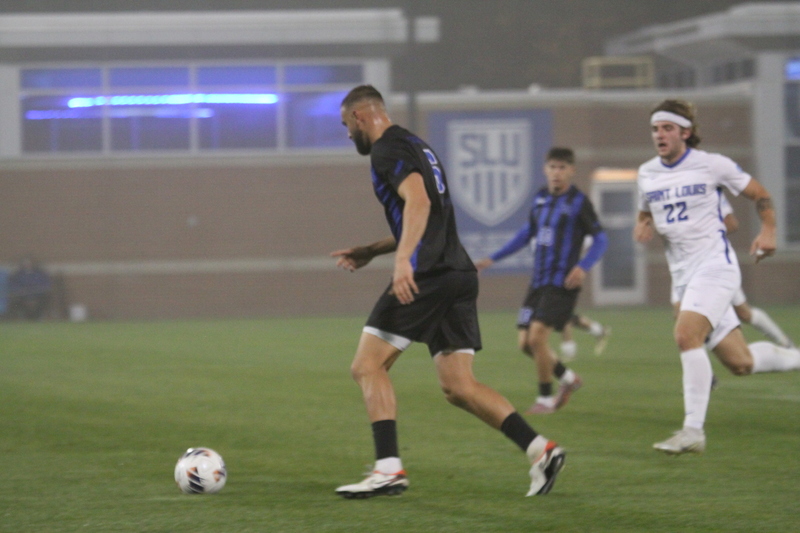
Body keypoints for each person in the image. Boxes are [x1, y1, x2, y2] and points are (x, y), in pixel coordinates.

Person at [330, 85, 566, 498]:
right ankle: (540, 450)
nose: (348, 134)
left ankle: (388, 469)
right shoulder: (418, 146)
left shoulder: (386, 149)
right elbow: (426, 215)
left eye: (347, 125)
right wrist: (374, 250)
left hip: (429, 274)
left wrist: (403, 261)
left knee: (367, 366)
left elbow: (419, 204)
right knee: (459, 386)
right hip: (457, 272)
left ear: (362, 117)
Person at [634, 99, 800, 455]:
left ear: (685, 132)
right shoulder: (647, 172)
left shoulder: (711, 165)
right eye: (654, 129)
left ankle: (693, 431)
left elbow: (760, 194)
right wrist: (642, 222)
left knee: (685, 334)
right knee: (741, 363)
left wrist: (769, 230)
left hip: (715, 268)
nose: (659, 135)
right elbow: (645, 206)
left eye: (666, 128)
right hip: (683, 276)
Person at [475, 147, 608, 414]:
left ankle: (546, 399)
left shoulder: (579, 203)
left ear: (571, 170)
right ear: (545, 170)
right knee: (525, 344)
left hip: (562, 284)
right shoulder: (540, 199)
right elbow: (526, 234)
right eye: (552, 167)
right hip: (538, 282)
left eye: (562, 167)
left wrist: (583, 267)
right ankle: (568, 379)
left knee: (537, 339)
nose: (556, 173)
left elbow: (601, 239)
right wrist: (493, 258)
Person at [669, 194, 794, 349]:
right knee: (681, 314)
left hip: (713, 263)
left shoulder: (707, 190)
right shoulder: (667, 190)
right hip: (682, 264)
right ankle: (702, 368)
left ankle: (787, 345)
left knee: (744, 313)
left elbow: (731, 223)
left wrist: (699, 236)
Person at [7, 256, 52, 321]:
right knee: (16, 301)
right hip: (23, 296)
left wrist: (36, 292)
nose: (27, 265)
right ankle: (23, 317)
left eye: (29, 263)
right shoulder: (18, 274)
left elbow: (46, 284)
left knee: (45, 299)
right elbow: (13, 285)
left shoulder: (40, 273)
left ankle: (39, 317)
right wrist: (22, 292)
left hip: (38, 296)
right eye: (25, 263)